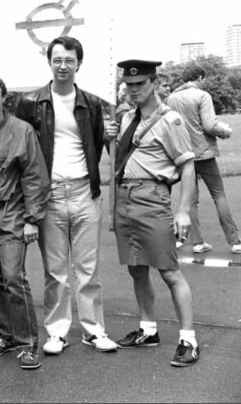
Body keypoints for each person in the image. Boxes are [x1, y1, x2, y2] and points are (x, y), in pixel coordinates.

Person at [15, 36, 117, 355]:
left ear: (78, 64)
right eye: (57, 60)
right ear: (49, 63)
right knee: (56, 271)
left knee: (88, 268)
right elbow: (22, 153)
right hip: (50, 195)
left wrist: (110, 136)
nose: (63, 66)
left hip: (86, 191)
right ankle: (57, 331)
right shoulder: (30, 103)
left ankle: (93, 329)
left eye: (69, 60)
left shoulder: (93, 103)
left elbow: (106, 147)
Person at [109, 59, 199, 367]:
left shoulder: (169, 119)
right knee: (136, 267)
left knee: (169, 271)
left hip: (152, 198)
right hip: (125, 198)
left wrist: (183, 211)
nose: (133, 90)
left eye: (140, 84)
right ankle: (149, 330)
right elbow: (123, 161)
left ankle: (188, 339)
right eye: (128, 85)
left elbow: (187, 165)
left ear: (155, 84)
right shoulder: (127, 119)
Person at [0, 76, 49, 370]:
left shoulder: (21, 130)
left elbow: (35, 177)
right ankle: (4, 336)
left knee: (14, 279)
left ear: (4, 98)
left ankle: (27, 342)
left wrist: (32, 219)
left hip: (12, 217)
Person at [166, 64, 240, 254]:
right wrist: (225, 131)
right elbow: (209, 125)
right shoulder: (202, 95)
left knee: (191, 200)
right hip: (203, 152)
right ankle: (235, 241)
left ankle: (198, 242)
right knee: (219, 195)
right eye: (203, 78)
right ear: (199, 77)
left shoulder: (171, 98)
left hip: (183, 154)